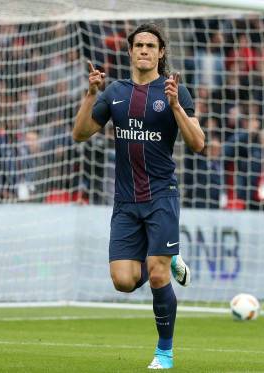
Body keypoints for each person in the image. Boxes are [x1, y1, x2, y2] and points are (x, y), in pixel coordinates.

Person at [72, 23, 204, 369]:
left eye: (151, 45)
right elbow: (81, 134)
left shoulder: (175, 90)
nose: (144, 50)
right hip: (126, 202)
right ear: (130, 52)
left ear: (161, 52)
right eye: (138, 45)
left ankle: (164, 352)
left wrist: (176, 107)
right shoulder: (115, 92)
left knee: (157, 274)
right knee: (124, 281)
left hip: (162, 195)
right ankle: (165, 256)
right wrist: (90, 94)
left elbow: (198, 143)